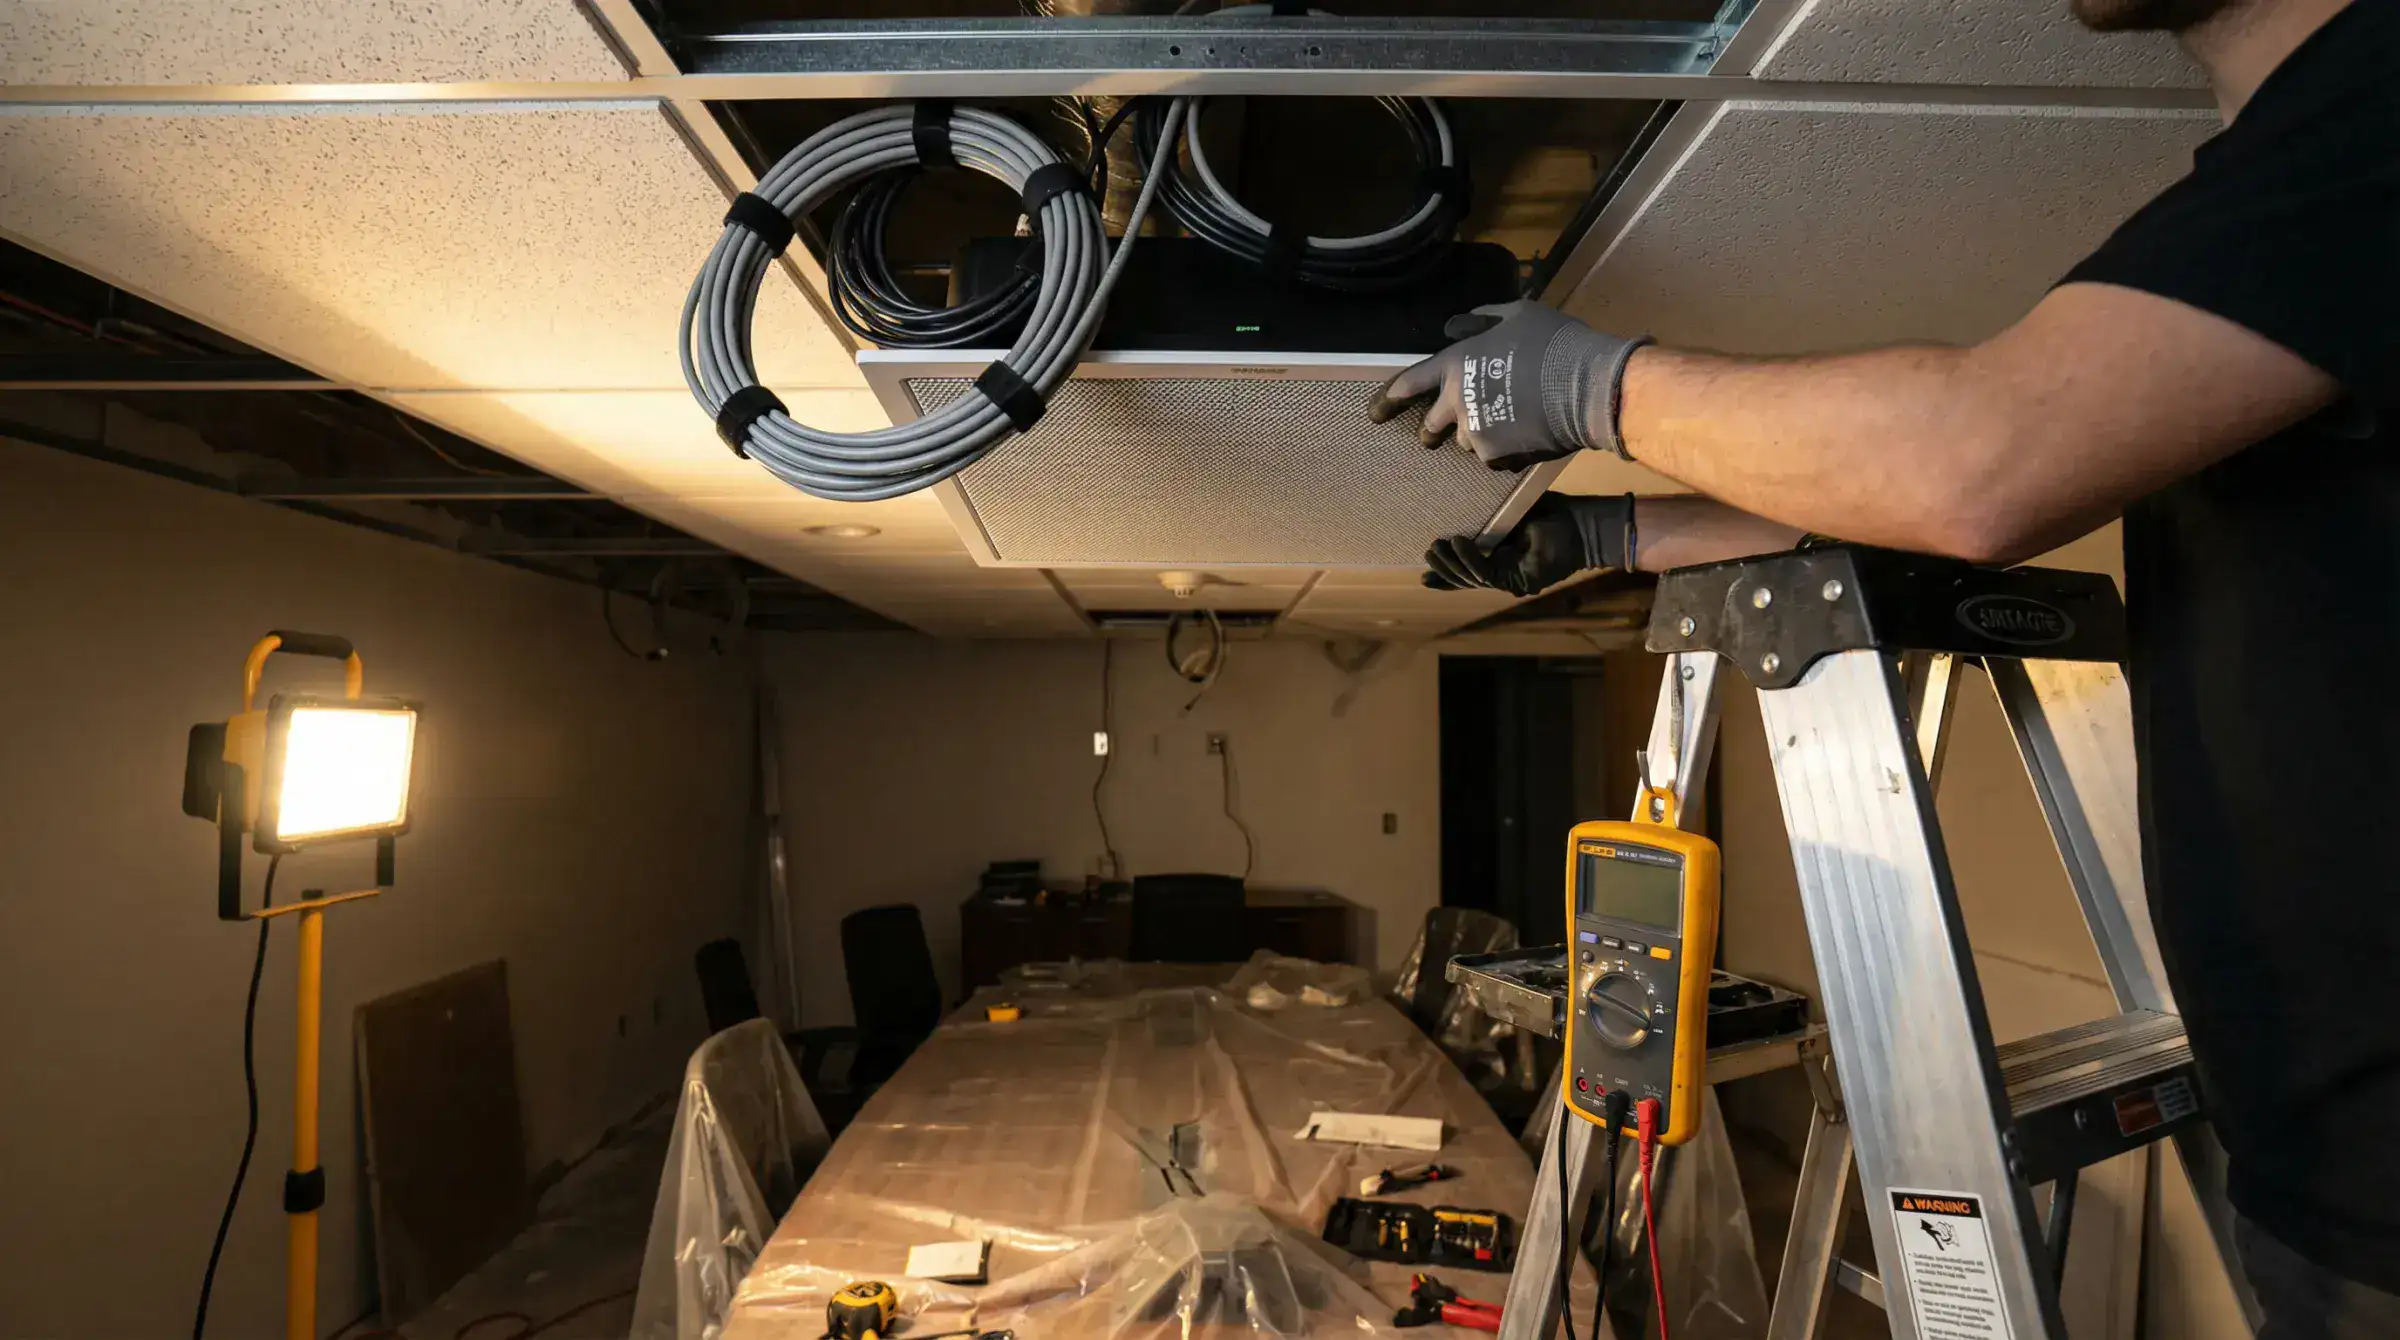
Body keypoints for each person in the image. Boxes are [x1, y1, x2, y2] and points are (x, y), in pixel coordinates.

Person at [1371, 0, 2396, 1331]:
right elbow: (1988, 476)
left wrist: (1590, 388)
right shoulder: (2315, 168)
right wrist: (1625, 532)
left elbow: (1982, 464)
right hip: (2325, 1162)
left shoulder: (2379, 97)